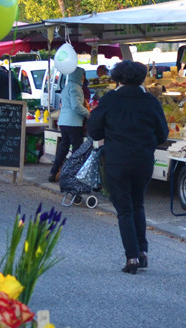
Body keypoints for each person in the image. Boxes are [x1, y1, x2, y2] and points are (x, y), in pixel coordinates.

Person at [87, 61, 169, 274]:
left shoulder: (110, 100)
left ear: (118, 79)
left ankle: (131, 257)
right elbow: (163, 134)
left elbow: (94, 129)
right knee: (138, 204)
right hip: (143, 159)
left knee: (124, 209)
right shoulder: (150, 101)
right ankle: (142, 252)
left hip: (117, 159)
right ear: (142, 78)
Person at [48, 67, 89, 183]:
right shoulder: (76, 88)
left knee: (63, 148)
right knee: (77, 149)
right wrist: (88, 114)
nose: (83, 78)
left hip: (64, 121)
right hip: (74, 122)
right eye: (82, 75)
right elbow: (76, 106)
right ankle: (72, 174)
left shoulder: (66, 87)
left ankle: (54, 171)